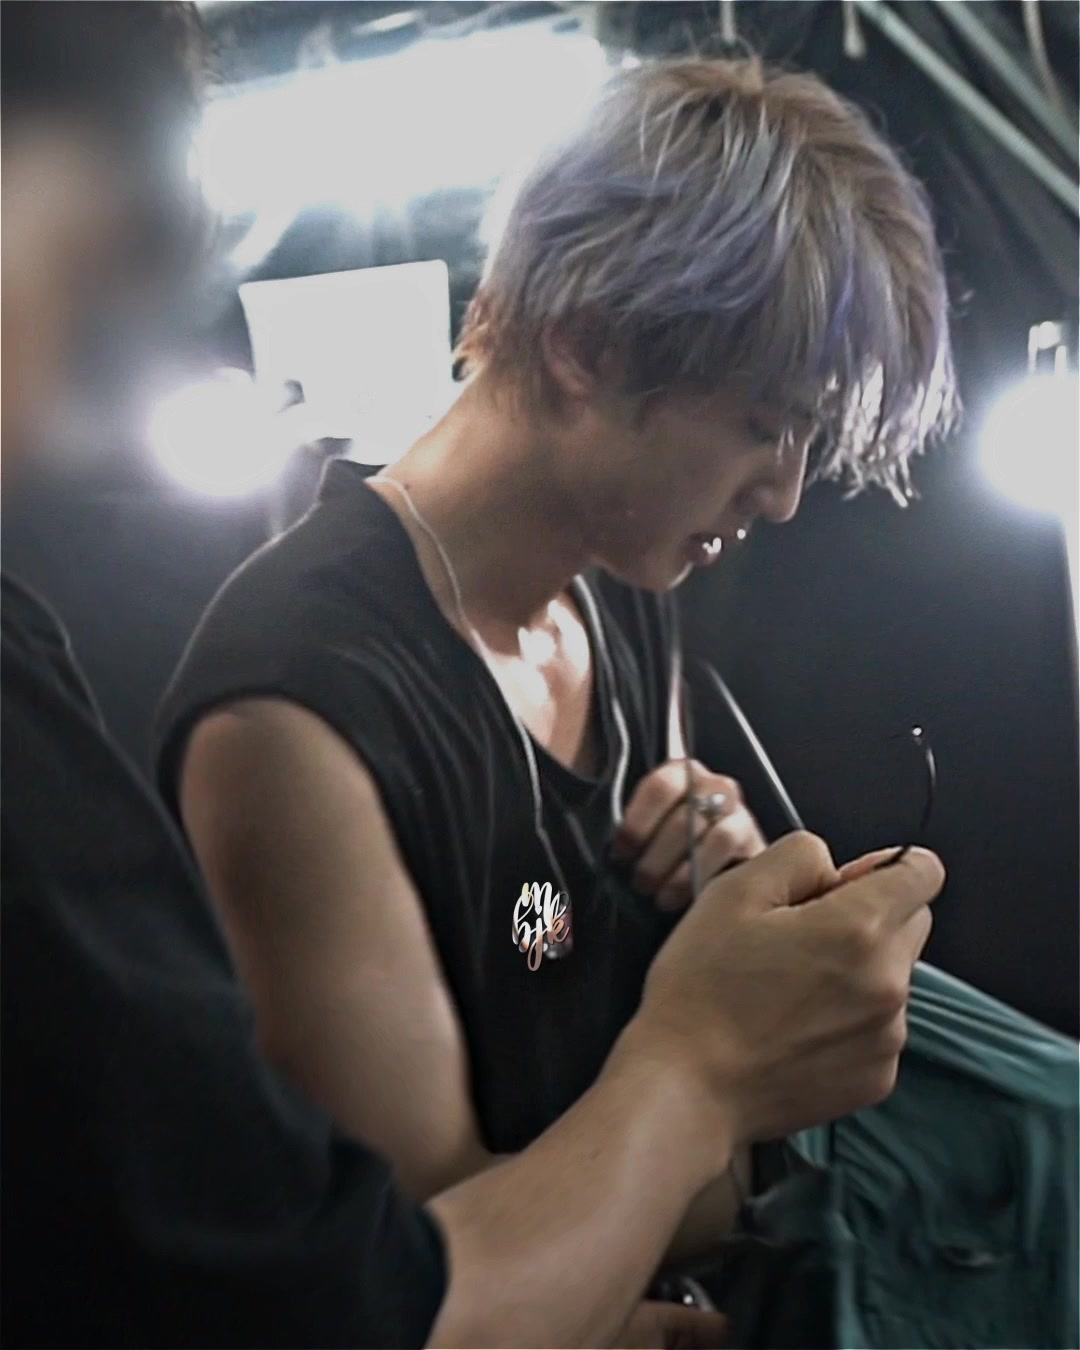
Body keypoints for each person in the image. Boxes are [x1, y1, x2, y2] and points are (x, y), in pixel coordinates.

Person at [1, 7, 945, 1346]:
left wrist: (716, 896)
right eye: (762, 425)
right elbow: (420, 1288)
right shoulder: (299, 711)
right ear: (588, 346)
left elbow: (582, 1006)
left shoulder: (620, 599)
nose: (785, 494)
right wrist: (729, 1069)